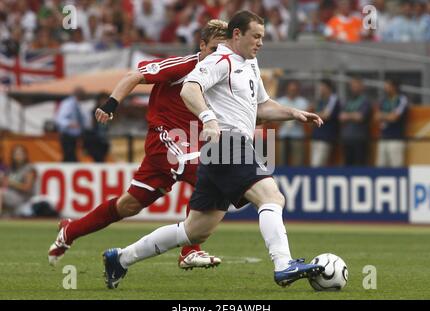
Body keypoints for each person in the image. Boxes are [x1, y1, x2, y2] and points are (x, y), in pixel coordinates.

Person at [102, 11, 324, 290]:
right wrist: (208, 119)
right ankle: (283, 264)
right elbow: (190, 89)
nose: (260, 43)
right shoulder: (220, 59)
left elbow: (262, 107)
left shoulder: (250, 64)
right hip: (228, 144)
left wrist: (293, 112)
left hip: (220, 150)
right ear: (237, 35)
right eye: (255, 36)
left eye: (262, 37)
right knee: (272, 197)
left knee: (194, 229)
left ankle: (120, 259)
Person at [48, 20, 230, 270]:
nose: (218, 56)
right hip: (165, 138)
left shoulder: (224, 74)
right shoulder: (185, 65)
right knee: (207, 174)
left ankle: (70, 230)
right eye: (214, 49)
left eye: (224, 50)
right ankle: (190, 251)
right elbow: (134, 75)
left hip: (190, 144)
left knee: (128, 205)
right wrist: (111, 104)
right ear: (201, 46)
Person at [375, 78, 409, 167]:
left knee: (396, 167)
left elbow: (395, 117)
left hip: (396, 138)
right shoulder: (383, 100)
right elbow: (376, 116)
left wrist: (383, 116)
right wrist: (388, 116)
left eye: (387, 86)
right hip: (383, 137)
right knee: (380, 166)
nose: (385, 88)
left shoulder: (402, 99)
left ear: (394, 87)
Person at [339, 77, 371, 166]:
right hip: (347, 138)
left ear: (361, 87)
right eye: (352, 86)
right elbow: (341, 117)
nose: (353, 88)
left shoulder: (365, 101)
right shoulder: (348, 101)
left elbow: (360, 117)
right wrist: (353, 115)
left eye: (356, 86)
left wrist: (348, 116)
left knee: (360, 165)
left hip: (360, 139)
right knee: (347, 166)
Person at [277, 80, 309, 166]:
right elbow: (276, 119)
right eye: (291, 90)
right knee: (281, 161)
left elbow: (306, 120)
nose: (292, 92)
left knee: (297, 161)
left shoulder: (303, 102)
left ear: (297, 90)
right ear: (287, 90)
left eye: (294, 90)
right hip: (283, 135)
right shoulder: (280, 102)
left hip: (297, 135)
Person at [0, 145, 37, 217]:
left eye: (20, 154)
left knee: (0, 193)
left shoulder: (29, 169)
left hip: (22, 197)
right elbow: (5, 184)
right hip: (9, 194)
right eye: (16, 154)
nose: (18, 156)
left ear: (25, 155)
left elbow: (27, 188)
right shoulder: (10, 168)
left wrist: (12, 183)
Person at [310, 79, 340, 167]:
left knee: (318, 164)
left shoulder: (333, 99)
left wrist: (315, 115)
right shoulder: (320, 100)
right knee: (314, 163)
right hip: (316, 136)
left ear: (328, 88)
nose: (320, 89)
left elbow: (326, 115)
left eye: (322, 87)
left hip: (325, 137)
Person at [55, 87, 87, 162]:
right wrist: (69, 124)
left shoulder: (76, 104)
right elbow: (59, 119)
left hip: (74, 137)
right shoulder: (68, 104)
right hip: (67, 136)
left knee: (72, 156)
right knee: (69, 156)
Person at [83, 92, 111, 163]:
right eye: (103, 100)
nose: (104, 102)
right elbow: (89, 127)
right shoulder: (94, 112)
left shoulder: (110, 112)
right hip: (95, 141)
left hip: (104, 141)